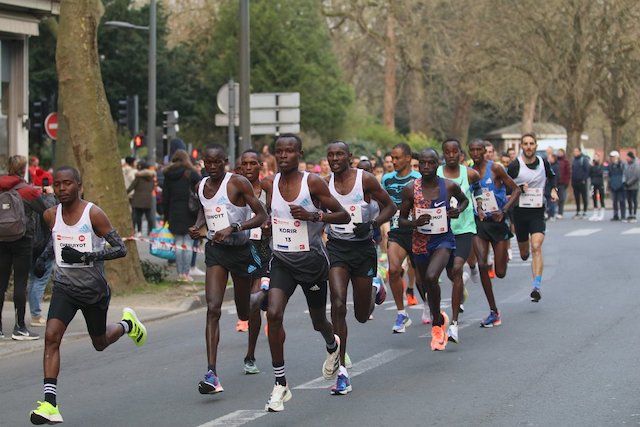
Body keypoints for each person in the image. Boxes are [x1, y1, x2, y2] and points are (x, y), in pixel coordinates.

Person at [29, 166, 146, 425]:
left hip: (93, 291)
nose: (62, 189)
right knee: (51, 337)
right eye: (58, 184)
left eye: (68, 183)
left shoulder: (93, 214)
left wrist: (86, 256)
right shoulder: (50, 215)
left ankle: (128, 324)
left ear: (79, 186)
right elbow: (55, 241)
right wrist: (43, 258)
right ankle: (50, 404)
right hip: (64, 288)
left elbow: (120, 249)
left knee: (100, 342)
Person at [261, 134, 349, 412]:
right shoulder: (270, 183)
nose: (283, 156)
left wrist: (314, 216)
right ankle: (280, 384)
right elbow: (271, 213)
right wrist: (266, 224)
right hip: (282, 260)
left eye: (289, 151)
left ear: (299, 153)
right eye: (279, 151)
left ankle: (331, 343)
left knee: (318, 321)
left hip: (311, 262)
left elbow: (343, 215)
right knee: (273, 314)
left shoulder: (312, 182)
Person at [187, 144, 267, 395]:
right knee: (213, 308)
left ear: (225, 161)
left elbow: (261, 215)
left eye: (216, 162)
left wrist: (234, 227)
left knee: (244, 311)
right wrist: (197, 227)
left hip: (241, 252)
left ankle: (260, 296)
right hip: (216, 252)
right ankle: (211, 372)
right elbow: (204, 210)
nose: (211, 167)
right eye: (207, 163)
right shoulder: (201, 186)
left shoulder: (238, 183)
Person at [325, 141, 396, 394]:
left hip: (363, 249)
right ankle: (341, 368)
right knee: (338, 302)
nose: (335, 158)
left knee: (362, 316)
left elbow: (391, 206)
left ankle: (376, 285)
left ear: (349, 157)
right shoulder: (324, 184)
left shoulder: (364, 180)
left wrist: (373, 224)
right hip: (337, 248)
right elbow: (319, 215)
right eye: (331, 154)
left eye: (339, 154)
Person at [399, 148, 468, 351]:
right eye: (422, 163)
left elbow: (464, 200)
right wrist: (414, 222)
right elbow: (401, 220)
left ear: (437, 164)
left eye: (430, 163)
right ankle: (437, 315)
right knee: (424, 284)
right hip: (420, 243)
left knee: (431, 277)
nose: (426, 167)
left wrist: (457, 210)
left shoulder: (448, 186)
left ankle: (437, 326)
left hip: (443, 240)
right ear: (418, 165)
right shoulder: (410, 189)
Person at [469, 139, 521, 327]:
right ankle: (493, 311)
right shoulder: (467, 172)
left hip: (498, 223)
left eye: (479, 150)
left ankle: (502, 256)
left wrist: (504, 210)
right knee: (483, 264)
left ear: (485, 152)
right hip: (479, 223)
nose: (475, 153)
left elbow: (515, 190)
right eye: (472, 150)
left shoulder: (496, 169)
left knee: (499, 273)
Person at [437, 139, 482, 343]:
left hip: (464, 229)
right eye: (448, 152)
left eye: (455, 151)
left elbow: (478, 188)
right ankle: (460, 288)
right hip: (442, 230)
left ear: (460, 154)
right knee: (450, 273)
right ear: (444, 154)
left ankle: (453, 324)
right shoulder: (436, 173)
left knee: (456, 269)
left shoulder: (469, 173)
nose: (451, 155)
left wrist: (479, 205)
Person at [0, 155, 47, 340]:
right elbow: (45, 212)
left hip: (1, 240)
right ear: (24, 169)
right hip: (22, 240)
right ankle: (20, 327)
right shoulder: (28, 191)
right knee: (20, 283)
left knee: (1, 283)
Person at [507, 134, 558, 302]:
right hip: (519, 213)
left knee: (536, 246)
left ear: (536, 145)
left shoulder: (543, 162)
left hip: (537, 211)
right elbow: (505, 187)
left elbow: (551, 177)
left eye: (531, 144)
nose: (529, 146)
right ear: (521, 146)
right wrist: (518, 188)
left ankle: (536, 286)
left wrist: (553, 190)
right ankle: (524, 253)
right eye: (526, 144)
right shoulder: (515, 166)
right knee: (524, 253)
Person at [381, 143, 422, 333]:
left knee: (421, 275)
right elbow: (382, 203)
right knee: (394, 269)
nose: (393, 161)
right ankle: (401, 313)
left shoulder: (418, 179)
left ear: (408, 158)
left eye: (397, 158)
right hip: (397, 231)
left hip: (417, 231)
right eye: (392, 158)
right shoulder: (387, 179)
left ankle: (428, 305)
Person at [238, 148, 272, 373]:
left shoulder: (267, 187)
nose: (249, 168)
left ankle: (252, 355)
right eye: (245, 164)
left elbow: (276, 212)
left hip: (264, 251)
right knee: (251, 307)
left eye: (253, 164)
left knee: (257, 302)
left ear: (260, 166)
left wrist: (270, 223)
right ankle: (250, 354)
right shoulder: (235, 188)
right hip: (241, 251)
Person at [162, 149, 201, 282]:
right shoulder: (191, 173)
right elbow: (201, 189)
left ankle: (179, 274)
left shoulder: (168, 175)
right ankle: (186, 273)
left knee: (178, 244)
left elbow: (165, 197)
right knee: (188, 245)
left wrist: (165, 216)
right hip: (190, 212)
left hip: (174, 212)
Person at [127, 160, 156, 236]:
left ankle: (139, 231)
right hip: (148, 199)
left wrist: (125, 193)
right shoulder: (151, 177)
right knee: (149, 216)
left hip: (138, 199)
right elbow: (153, 187)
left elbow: (131, 187)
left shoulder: (138, 177)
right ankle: (151, 231)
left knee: (138, 216)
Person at [571, 147, 590, 219]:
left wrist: (584, 179)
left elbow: (587, 170)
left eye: (576, 151)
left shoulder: (583, 159)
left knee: (584, 196)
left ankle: (585, 211)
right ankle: (578, 211)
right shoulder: (574, 160)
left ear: (579, 152)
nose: (575, 152)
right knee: (577, 197)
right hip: (575, 181)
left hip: (582, 181)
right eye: (574, 151)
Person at [608, 151, 626, 221]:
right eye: (611, 157)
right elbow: (609, 176)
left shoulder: (622, 164)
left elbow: (624, 173)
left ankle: (623, 215)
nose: (612, 158)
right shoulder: (610, 165)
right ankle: (615, 215)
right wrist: (609, 185)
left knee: (622, 201)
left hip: (621, 186)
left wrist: (624, 183)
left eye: (613, 157)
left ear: (617, 157)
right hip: (613, 186)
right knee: (614, 201)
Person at [623, 151, 639, 223]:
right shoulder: (626, 164)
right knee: (629, 200)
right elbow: (624, 173)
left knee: (634, 200)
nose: (627, 158)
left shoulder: (636, 165)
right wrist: (624, 182)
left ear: (631, 157)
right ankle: (630, 213)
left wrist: (629, 183)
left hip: (634, 186)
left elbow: (636, 176)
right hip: (627, 186)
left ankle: (634, 214)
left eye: (628, 157)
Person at [588, 154, 605, 221]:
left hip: (600, 183)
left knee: (601, 198)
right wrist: (591, 167)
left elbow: (600, 173)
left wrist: (595, 171)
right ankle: (595, 213)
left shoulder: (601, 165)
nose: (595, 158)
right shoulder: (592, 166)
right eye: (594, 157)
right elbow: (589, 174)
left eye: (596, 157)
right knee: (594, 198)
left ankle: (602, 213)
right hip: (593, 184)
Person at [555, 148, 571, 219]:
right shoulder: (555, 161)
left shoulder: (565, 161)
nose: (559, 154)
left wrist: (566, 182)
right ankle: (554, 211)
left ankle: (560, 212)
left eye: (560, 152)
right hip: (556, 182)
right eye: (558, 152)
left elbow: (568, 172)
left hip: (562, 182)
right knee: (555, 197)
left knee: (561, 198)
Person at [545, 153, 560, 220]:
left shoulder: (555, 166)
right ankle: (548, 213)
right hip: (547, 185)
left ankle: (552, 214)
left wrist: (554, 186)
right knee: (547, 200)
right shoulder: (549, 166)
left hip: (552, 185)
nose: (549, 159)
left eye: (550, 158)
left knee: (551, 200)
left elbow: (555, 177)